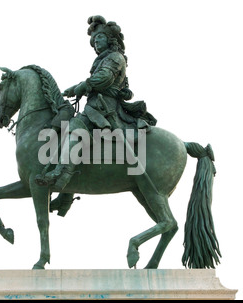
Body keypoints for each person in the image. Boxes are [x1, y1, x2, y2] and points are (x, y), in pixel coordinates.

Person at [36, 15, 156, 190]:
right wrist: (77, 87)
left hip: (103, 108)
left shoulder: (115, 57)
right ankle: (66, 195)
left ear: (110, 39)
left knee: (74, 133)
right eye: (93, 40)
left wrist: (83, 86)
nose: (95, 42)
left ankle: (59, 176)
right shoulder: (103, 59)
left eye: (99, 37)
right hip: (96, 105)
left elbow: (105, 77)